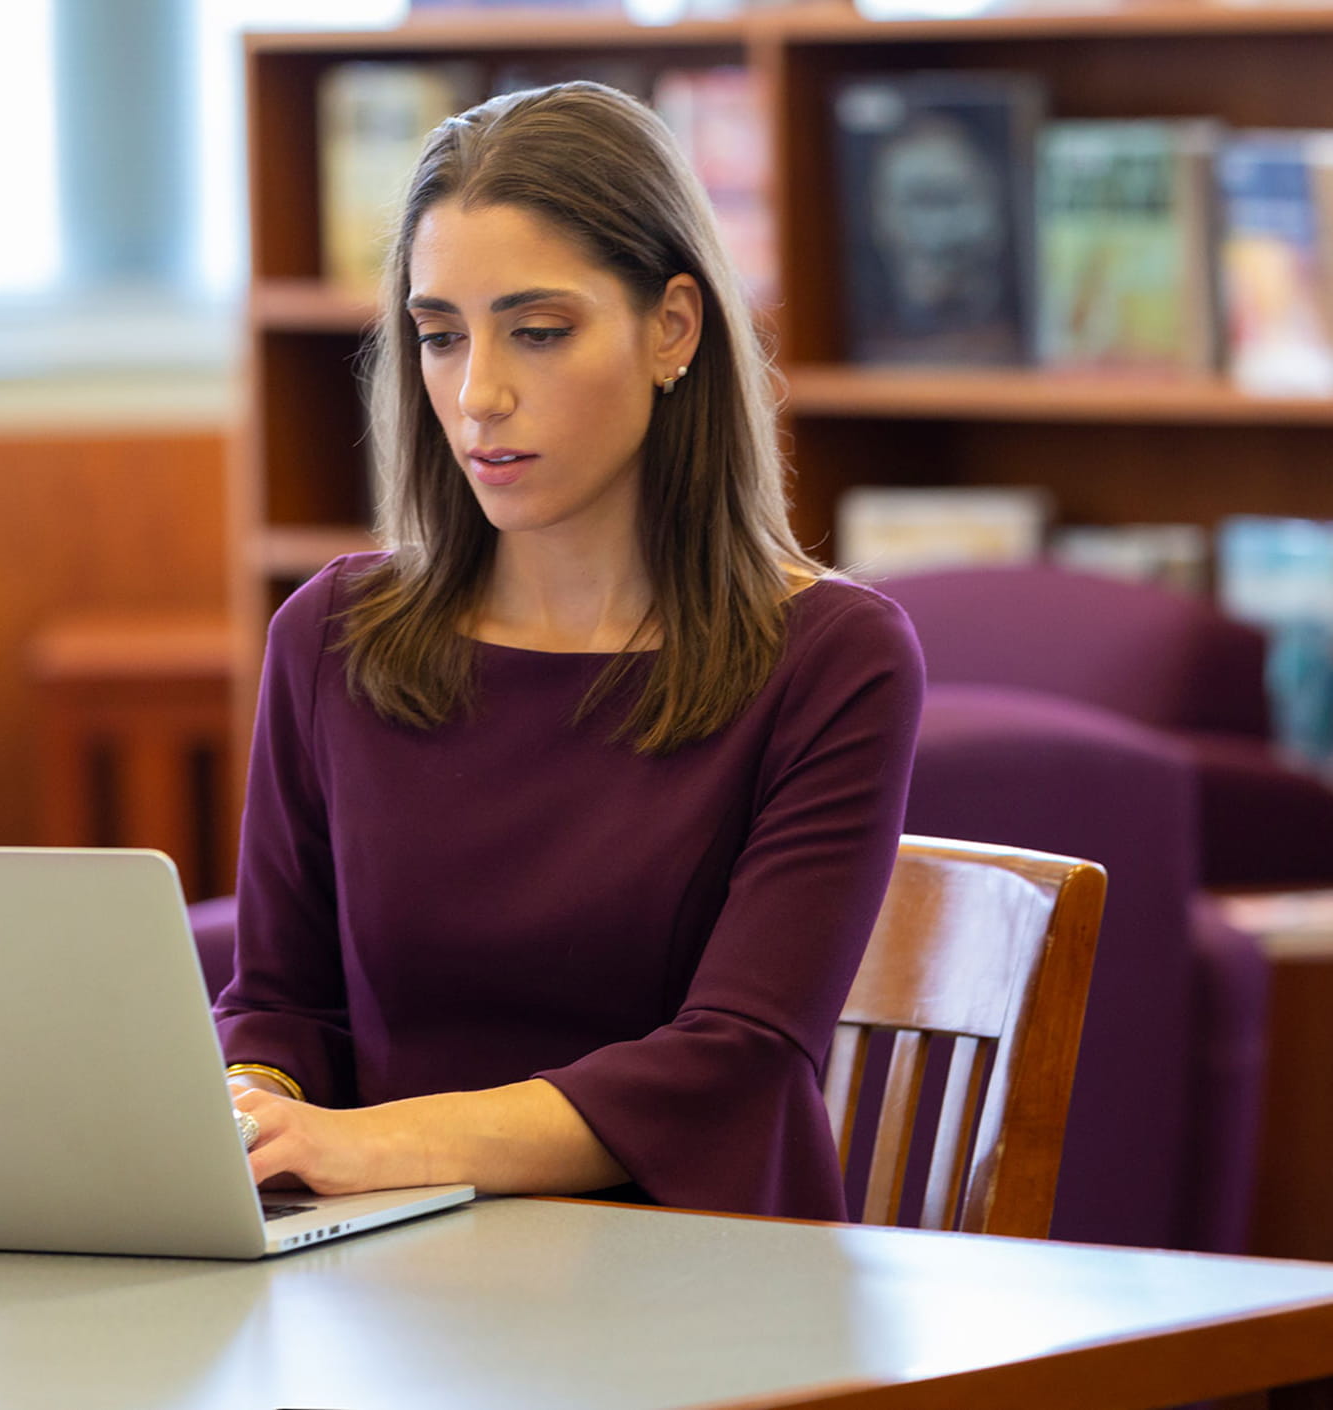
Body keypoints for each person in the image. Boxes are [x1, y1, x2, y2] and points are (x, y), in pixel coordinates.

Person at [215, 81, 923, 1219]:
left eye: (538, 332)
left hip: (700, 1281)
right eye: (439, 336)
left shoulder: (832, 656)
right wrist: (252, 1109)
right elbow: (281, 1005)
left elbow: (731, 1059)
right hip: (388, 1272)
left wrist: (365, 1146)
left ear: (672, 329)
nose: (477, 394)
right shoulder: (330, 635)